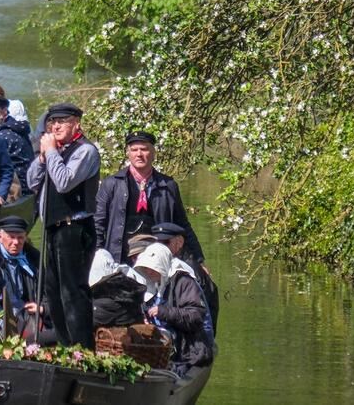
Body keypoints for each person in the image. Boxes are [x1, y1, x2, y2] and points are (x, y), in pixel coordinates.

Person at [26, 102, 100, 349]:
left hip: (75, 227)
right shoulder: (54, 151)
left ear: (76, 124)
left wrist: (52, 153)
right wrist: (43, 156)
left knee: (72, 292)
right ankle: (66, 346)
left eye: (62, 122)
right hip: (54, 228)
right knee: (53, 292)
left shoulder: (85, 151)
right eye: (52, 123)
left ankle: (82, 349)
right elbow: (31, 181)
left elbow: (64, 182)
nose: (55, 126)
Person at [94, 131, 206, 266]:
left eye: (144, 149)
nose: (139, 154)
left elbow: (182, 226)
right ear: (127, 153)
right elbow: (98, 224)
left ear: (153, 152)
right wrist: (97, 257)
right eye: (134, 150)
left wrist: (199, 260)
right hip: (119, 259)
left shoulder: (168, 185)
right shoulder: (111, 184)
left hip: (157, 258)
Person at [134, 243, 215, 377]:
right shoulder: (151, 284)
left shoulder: (183, 282)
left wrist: (164, 312)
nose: (148, 272)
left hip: (186, 352)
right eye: (146, 268)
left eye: (152, 268)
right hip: (159, 348)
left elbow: (196, 316)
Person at [152, 222, 220, 332]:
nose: (160, 248)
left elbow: (201, 317)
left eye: (165, 243)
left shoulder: (190, 272)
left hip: (193, 340)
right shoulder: (156, 266)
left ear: (179, 243)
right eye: (156, 243)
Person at [0, 216, 54, 342]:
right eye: (11, 237)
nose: (16, 242)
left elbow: (46, 290)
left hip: (29, 316)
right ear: (0, 237)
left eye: (20, 237)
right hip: (0, 317)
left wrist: (42, 307)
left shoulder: (33, 258)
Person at [0, 95, 34, 196]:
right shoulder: (15, 127)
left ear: (4, 110)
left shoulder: (2, 136)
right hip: (27, 185)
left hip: (18, 190)